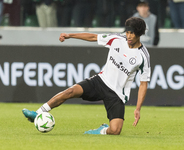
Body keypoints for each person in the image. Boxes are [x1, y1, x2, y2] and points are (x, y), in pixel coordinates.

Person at [22, 17, 151, 135]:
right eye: (127, 32)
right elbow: (93, 37)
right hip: (101, 81)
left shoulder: (143, 56)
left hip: (117, 94)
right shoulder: (117, 39)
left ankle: (102, 130)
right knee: (70, 91)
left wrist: (138, 108)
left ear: (139, 34)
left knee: (115, 130)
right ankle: (38, 112)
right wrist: (70, 35)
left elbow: (143, 83)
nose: (128, 36)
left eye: (132, 33)